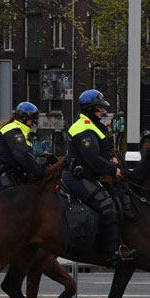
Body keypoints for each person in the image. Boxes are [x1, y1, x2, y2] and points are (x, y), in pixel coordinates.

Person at [63, 90, 134, 266]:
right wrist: (112, 169)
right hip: (77, 176)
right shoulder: (83, 127)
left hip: (89, 175)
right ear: (90, 108)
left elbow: (104, 148)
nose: (103, 111)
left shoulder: (95, 125)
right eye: (100, 107)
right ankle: (110, 254)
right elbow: (92, 159)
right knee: (105, 204)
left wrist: (112, 158)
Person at [0, 102, 44, 190]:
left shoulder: (23, 131)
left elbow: (29, 154)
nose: (32, 124)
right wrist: (39, 172)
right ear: (23, 118)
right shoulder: (13, 130)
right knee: (14, 201)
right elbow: (22, 154)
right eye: (31, 120)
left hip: (14, 173)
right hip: (0, 174)